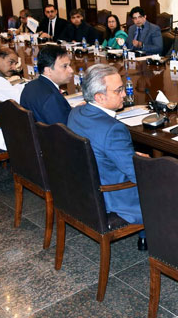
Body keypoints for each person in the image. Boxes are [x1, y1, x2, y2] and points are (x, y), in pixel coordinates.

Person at [66, 64, 150, 249]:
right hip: (112, 197)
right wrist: (148, 164)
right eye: (119, 90)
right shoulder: (113, 129)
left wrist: (127, 155)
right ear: (100, 97)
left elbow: (98, 149)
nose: (125, 94)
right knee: (172, 182)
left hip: (81, 191)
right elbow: (137, 175)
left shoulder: (76, 112)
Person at [20, 45, 74, 124]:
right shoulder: (51, 98)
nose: (71, 70)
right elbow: (65, 131)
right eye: (65, 66)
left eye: (69, 65)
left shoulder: (30, 85)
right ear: (48, 70)